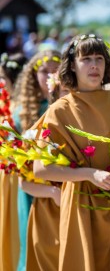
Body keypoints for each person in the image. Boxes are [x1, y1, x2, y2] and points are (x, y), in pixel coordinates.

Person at [33, 34, 110, 271]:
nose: (94, 65)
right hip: (80, 205)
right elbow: (41, 168)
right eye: (86, 59)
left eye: (99, 58)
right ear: (72, 66)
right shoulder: (59, 111)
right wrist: (89, 174)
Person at [12, 49, 61, 271]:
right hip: (36, 191)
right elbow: (21, 169)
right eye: (44, 71)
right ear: (33, 75)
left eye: (56, 70)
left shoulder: (66, 107)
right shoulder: (21, 114)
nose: (51, 76)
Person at [0, 52, 27, 271]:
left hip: (16, 173)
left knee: (17, 226)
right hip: (7, 172)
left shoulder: (20, 107)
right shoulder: (7, 103)